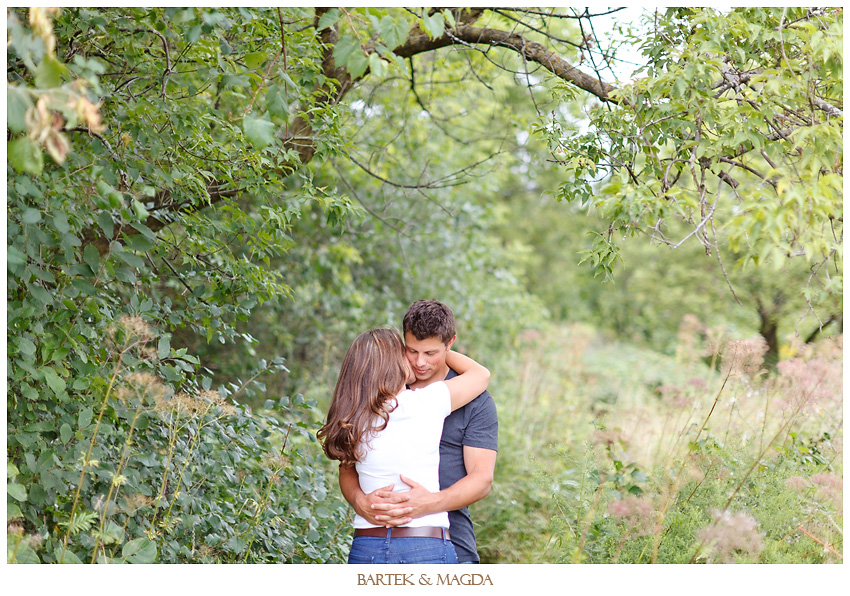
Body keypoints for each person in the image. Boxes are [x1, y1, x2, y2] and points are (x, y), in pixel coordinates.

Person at [338, 300, 498, 564]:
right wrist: (359, 502)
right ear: (401, 347)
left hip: (452, 541)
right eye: (411, 351)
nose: (420, 362)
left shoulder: (475, 401)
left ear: (450, 344)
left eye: (431, 353)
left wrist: (429, 503)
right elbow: (347, 468)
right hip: (391, 538)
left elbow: (482, 479)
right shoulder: (383, 399)